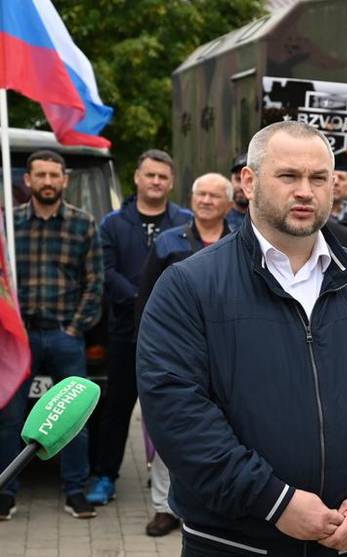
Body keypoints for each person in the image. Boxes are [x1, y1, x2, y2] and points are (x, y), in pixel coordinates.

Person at [136, 121, 347, 556]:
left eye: (318, 178)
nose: (305, 191)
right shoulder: (189, 285)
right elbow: (177, 413)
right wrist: (274, 501)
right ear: (249, 181)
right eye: (288, 176)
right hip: (232, 544)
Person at [1, 150, 103, 520]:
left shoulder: (83, 223)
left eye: (53, 175)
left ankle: (75, 490)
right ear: (27, 180)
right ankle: (6, 491)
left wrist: (75, 327)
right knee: (11, 419)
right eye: (39, 175)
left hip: (64, 335)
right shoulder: (8, 226)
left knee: (73, 418)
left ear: (65, 180)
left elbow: (95, 283)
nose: (47, 181)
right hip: (20, 339)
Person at [88, 150, 192, 506]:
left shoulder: (186, 221)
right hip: (125, 332)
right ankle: (105, 476)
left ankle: (175, 482)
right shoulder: (113, 223)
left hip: (175, 337)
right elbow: (105, 271)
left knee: (174, 409)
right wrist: (143, 297)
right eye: (150, 175)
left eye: (163, 177)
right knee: (117, 407)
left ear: (172, 182)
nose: (156, 182)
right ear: (137, 177)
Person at [134, 172, 234, 536]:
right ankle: (164, 508)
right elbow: (145, 303)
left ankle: (216, 503)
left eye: (213, 195)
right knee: (169, 430)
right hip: (177, 355)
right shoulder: (167, 243)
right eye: (200, 194)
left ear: (227, 202)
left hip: (229, 356)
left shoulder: (241, 241)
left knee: (225, 431)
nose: (206, 200)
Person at [226, 152, 250, 230]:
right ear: (231, 180)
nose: (241, 186)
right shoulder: (218, 217)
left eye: (249, 180)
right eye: (238, 179)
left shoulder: (267, 221)